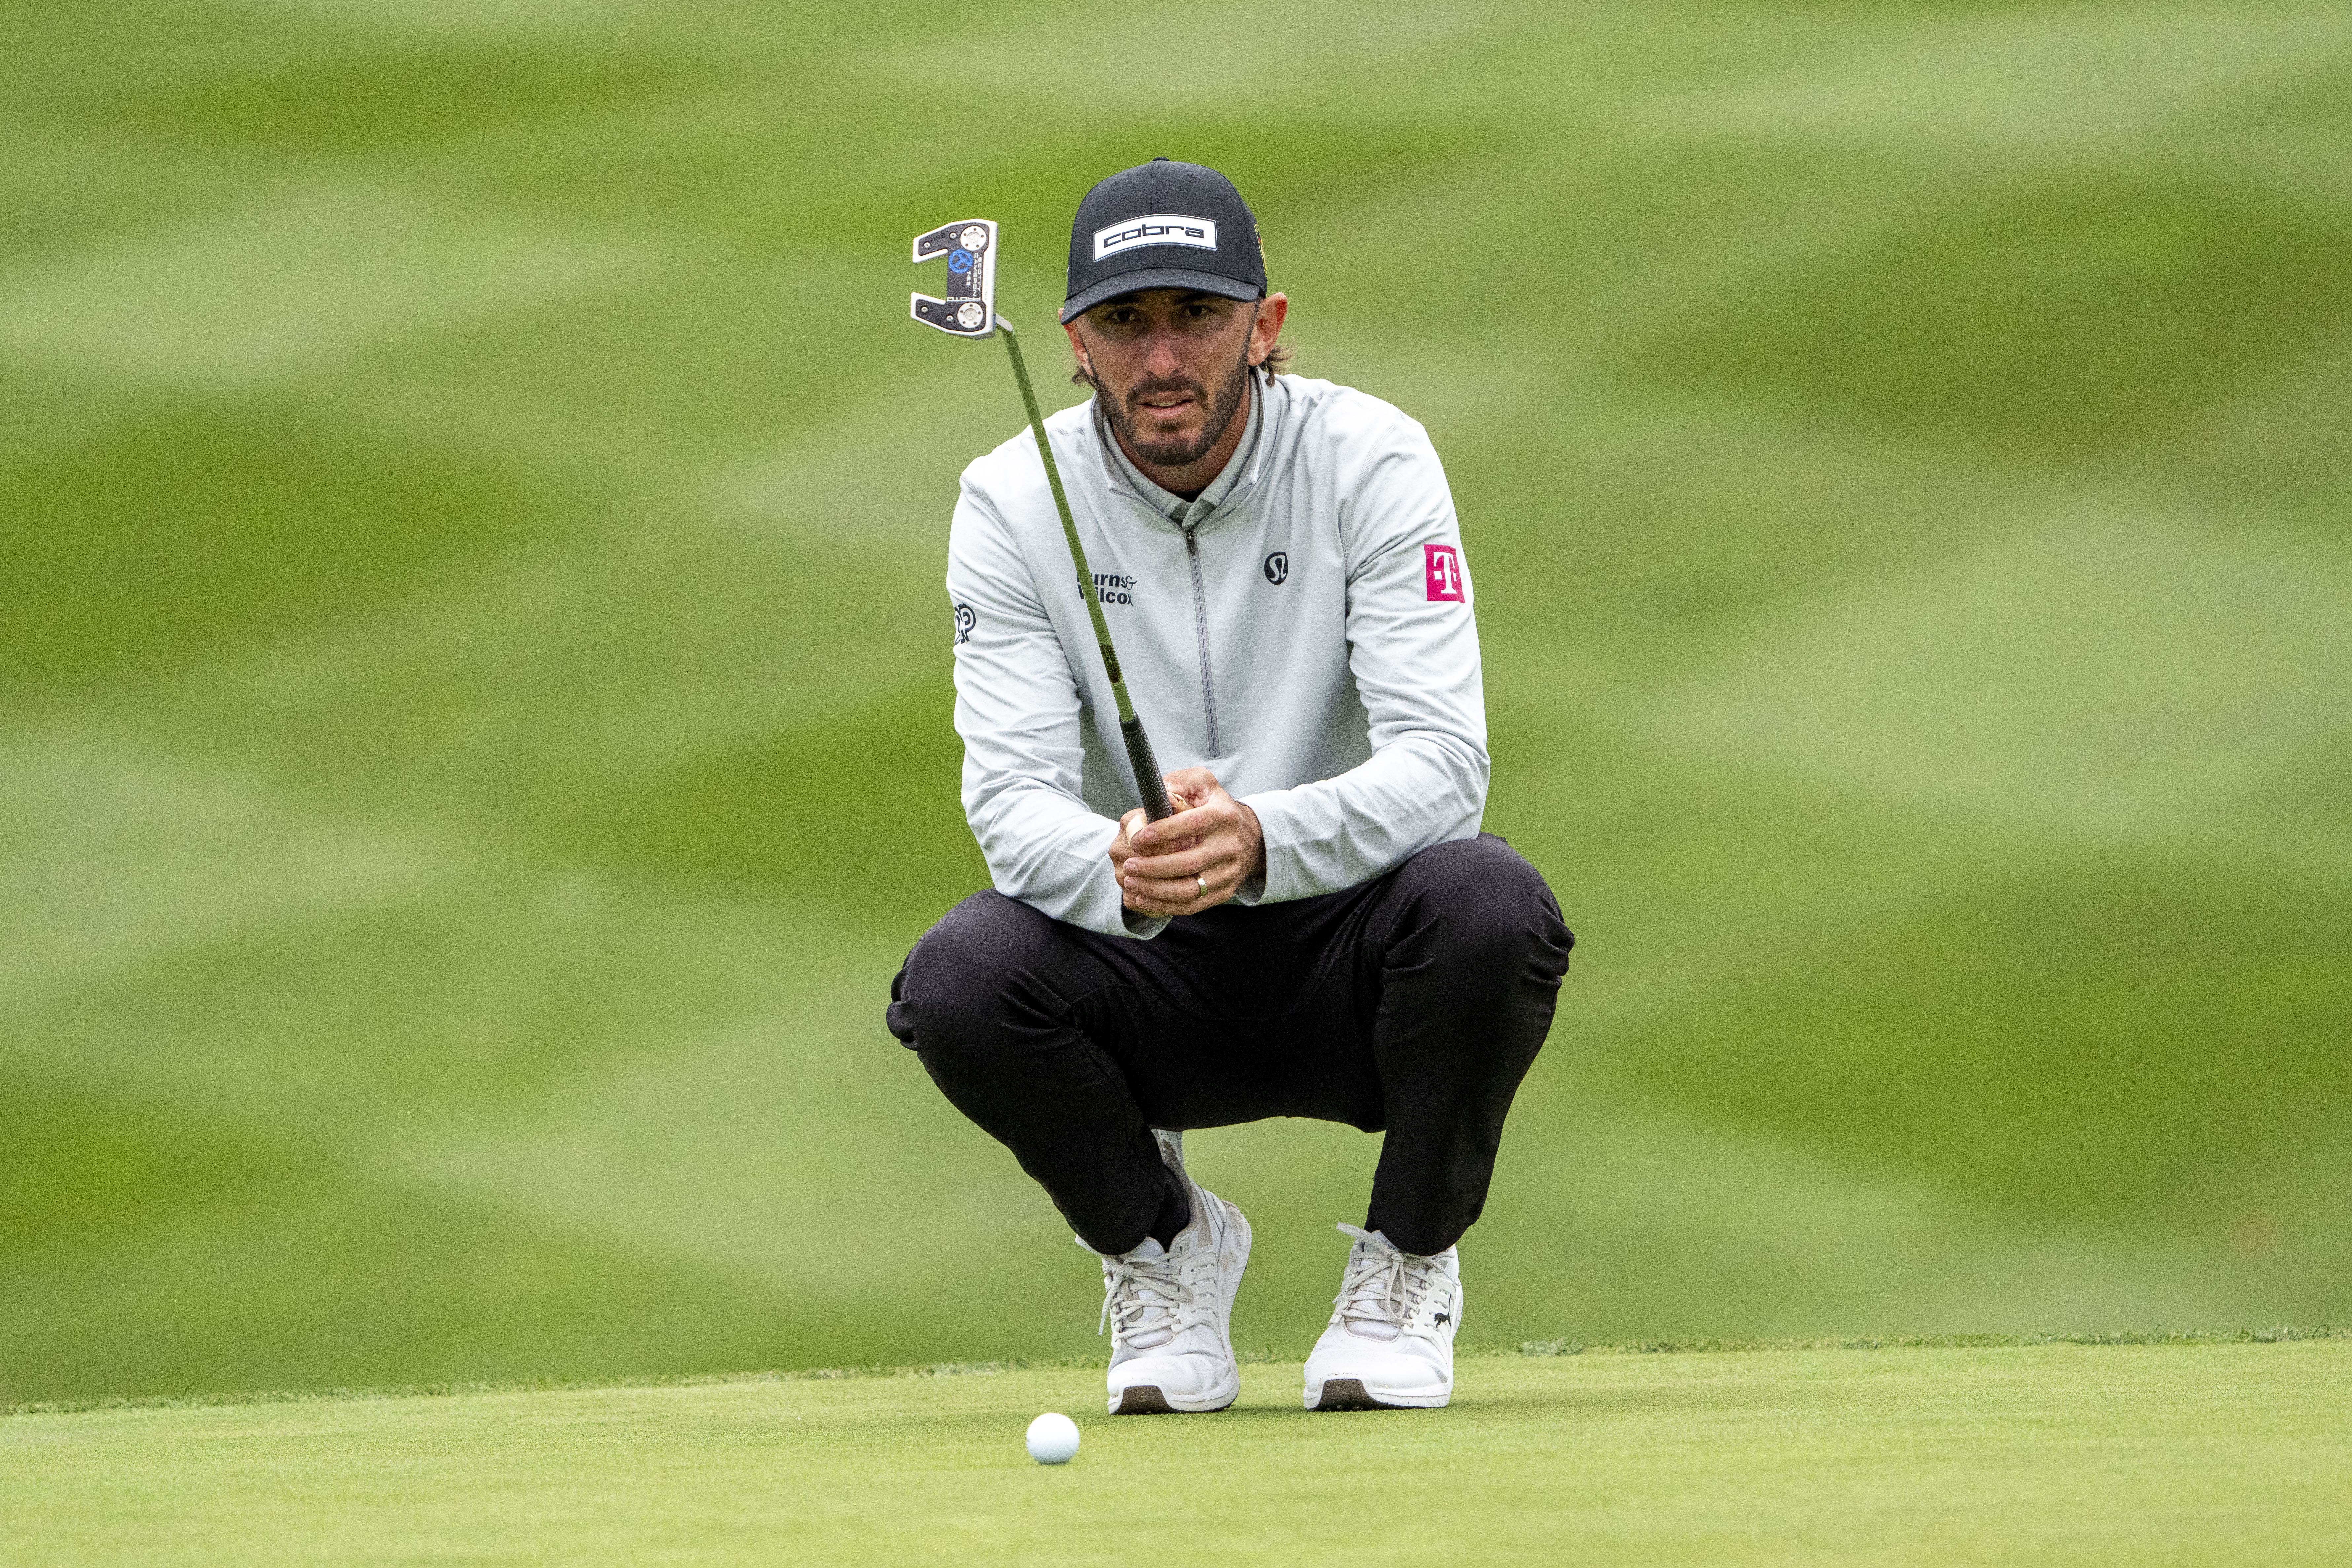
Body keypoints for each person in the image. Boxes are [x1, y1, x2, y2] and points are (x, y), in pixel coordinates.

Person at [886, 158, 1573, 1414]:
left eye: (1196, 316)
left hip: (1348, 954)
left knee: (1492, 901)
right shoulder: (1008, 498)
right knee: (961, 977)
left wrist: (1257, 837)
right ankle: (1162, 1247)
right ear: (1074, 345)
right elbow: (1011, 799)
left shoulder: (1374, 456)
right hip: (1144, 953)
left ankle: (1406, 1269)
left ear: (1266, 327)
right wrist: (1123, 862)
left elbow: (1445, 767)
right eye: (1125, 322)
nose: (1162, 359)